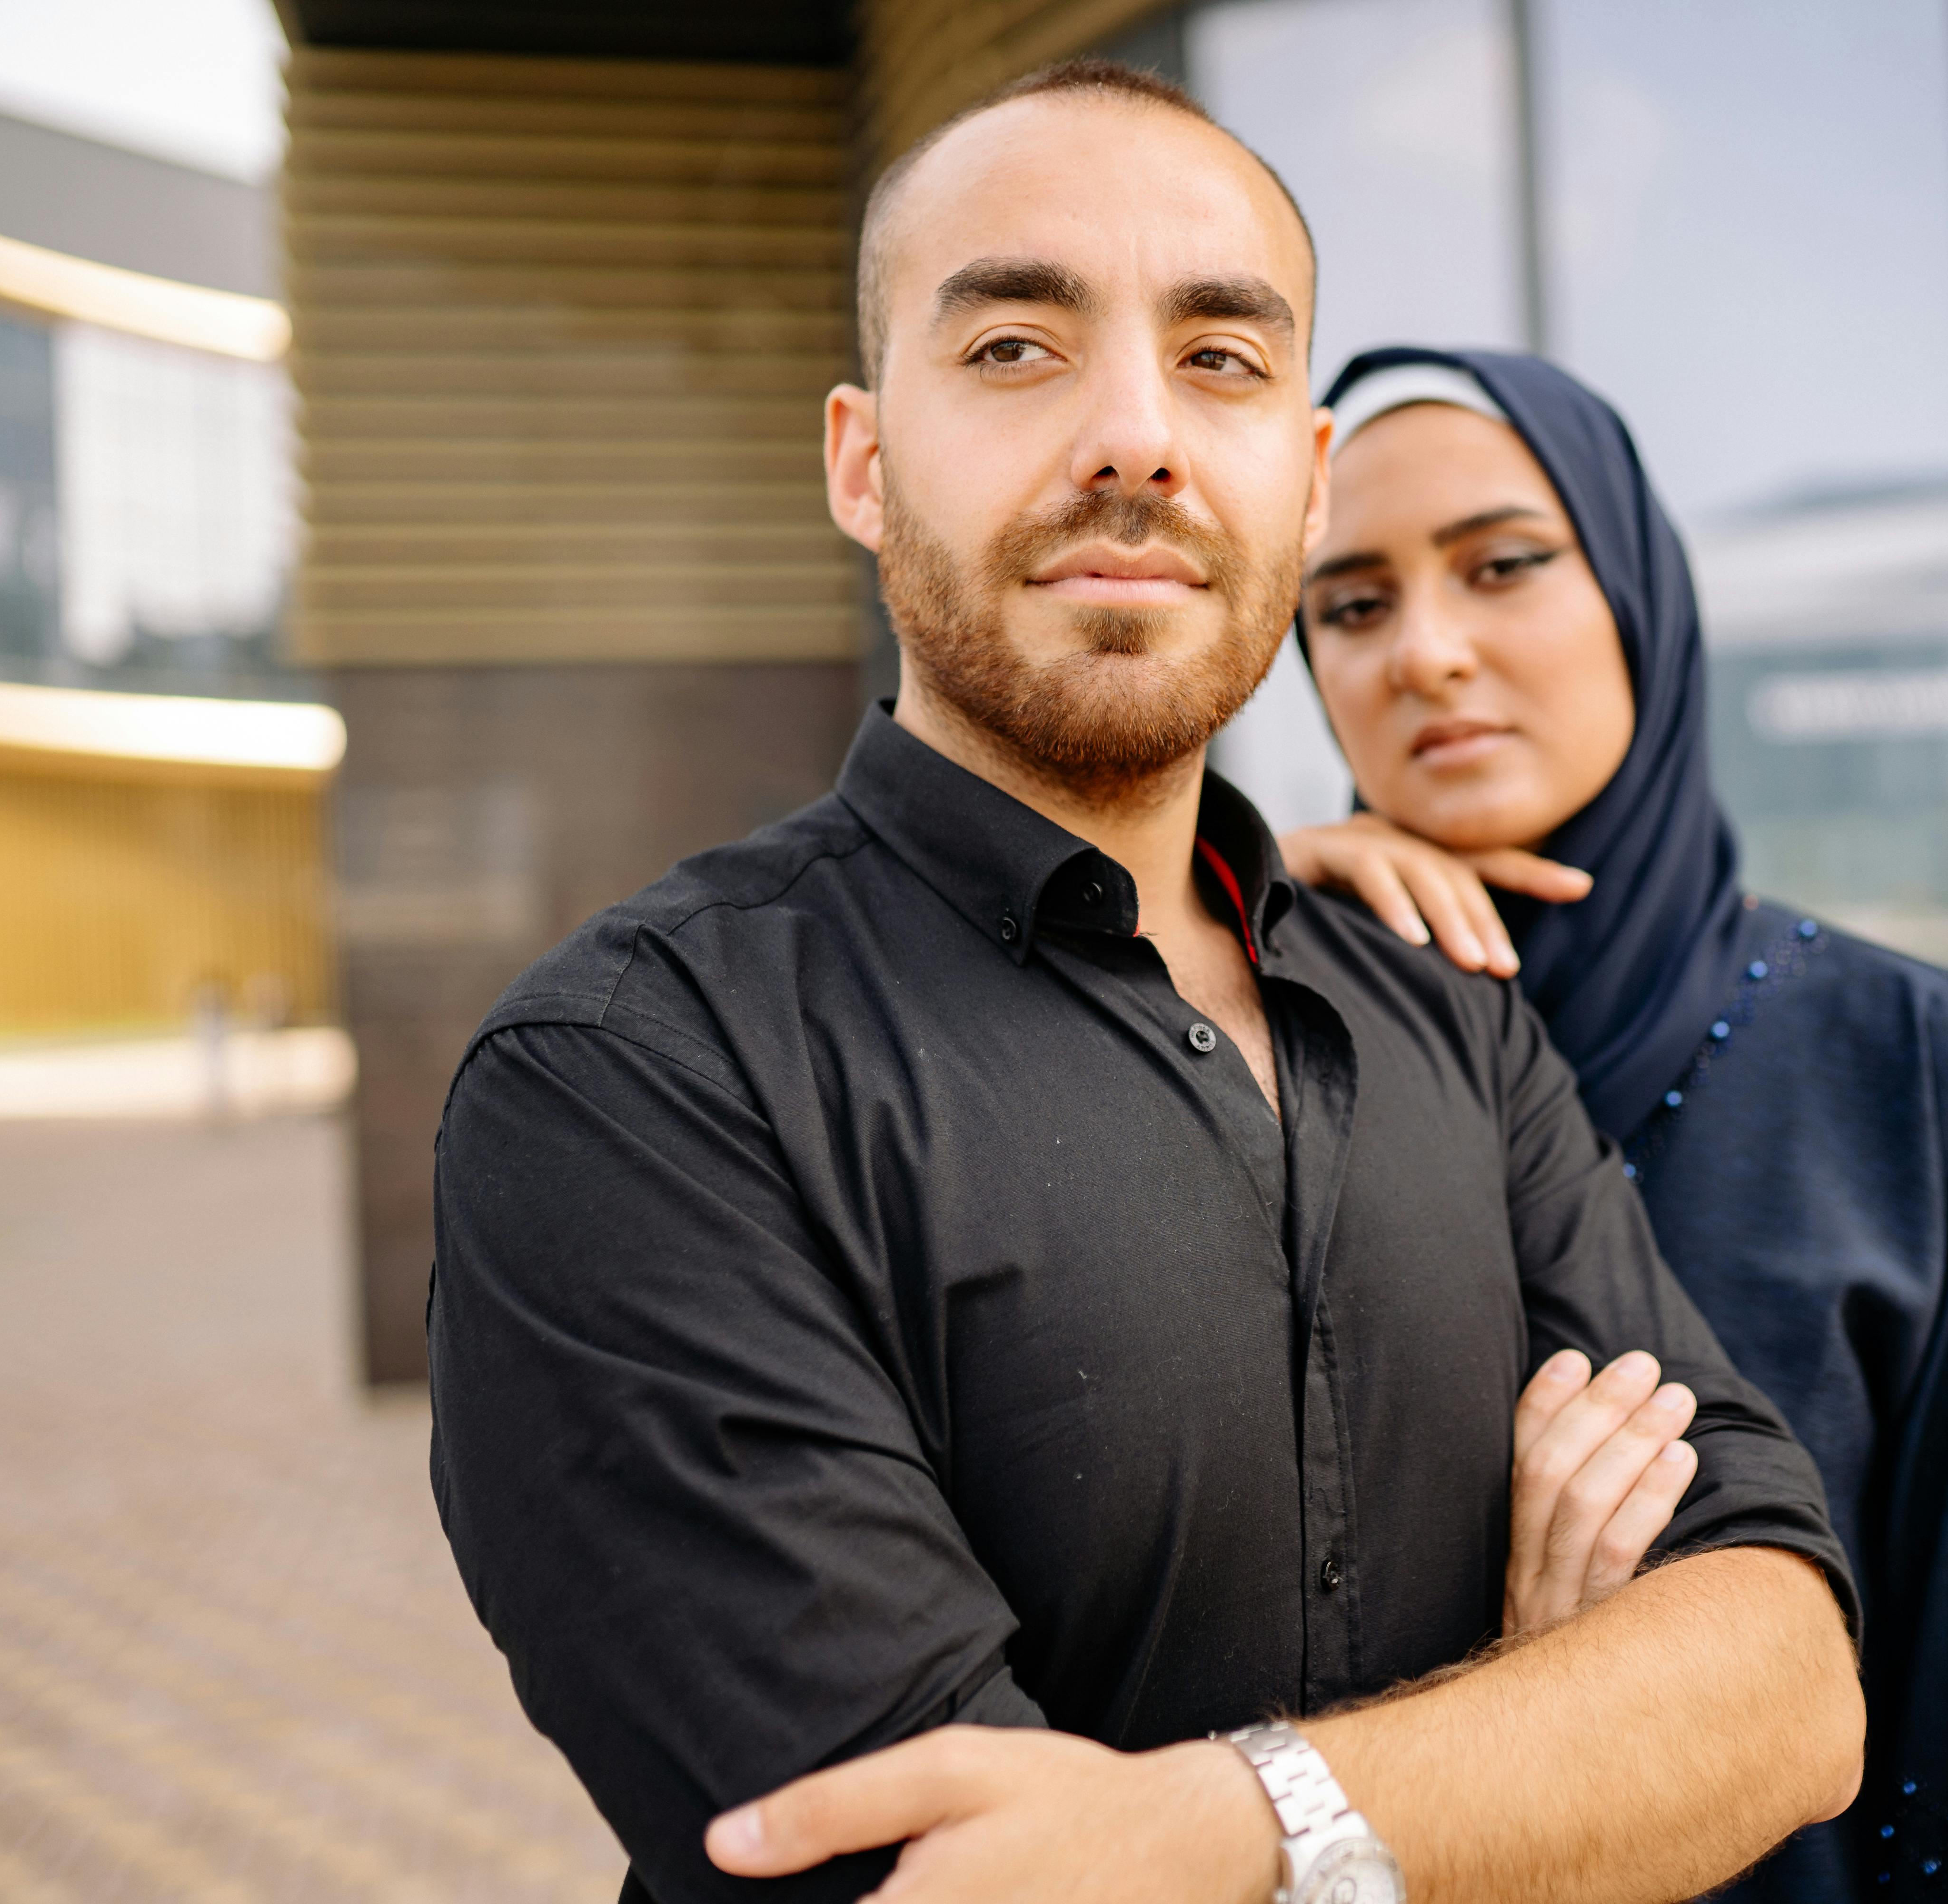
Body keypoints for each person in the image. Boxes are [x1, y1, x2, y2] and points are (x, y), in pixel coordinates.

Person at [426, 62, 1863, 1904]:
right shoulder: (633, 1083)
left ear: (1306, 479)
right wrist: (1543, 1732)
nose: (1137, 440)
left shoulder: (1441, 1003)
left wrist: (1219, 1835)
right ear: (865, 464)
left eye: (1223, 360)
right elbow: (951, 1884)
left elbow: (1791, 1693)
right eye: (1018, 347)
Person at [1280, 348, 1948, 1904]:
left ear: (1640, 600)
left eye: (1505, 565)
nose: (1431, 654)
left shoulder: (1901, 1061)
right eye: (1352, 603)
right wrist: (1225, 936)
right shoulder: (1257, 1033)